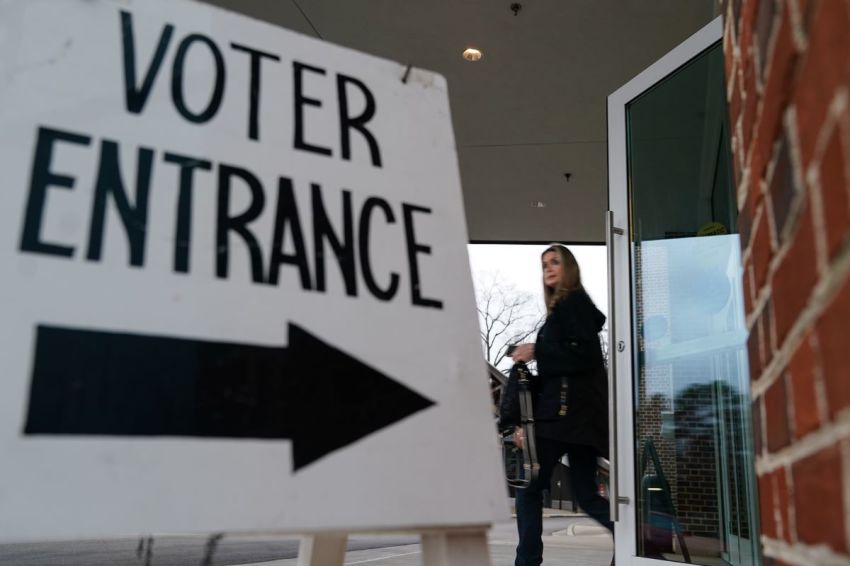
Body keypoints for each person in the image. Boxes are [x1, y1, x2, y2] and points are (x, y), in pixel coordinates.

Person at [510, 244, 612, 566]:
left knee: (529, 491)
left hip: (562, 419)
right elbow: (578, 361)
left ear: (569, 267)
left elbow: (586, 358)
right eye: (544, 265)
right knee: (586, 495)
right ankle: (637, 538)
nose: (549, 269)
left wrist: (536, 351)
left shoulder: (573, 303)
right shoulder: (568, 309)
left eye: (555, 262)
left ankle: (527, 562)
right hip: (578, 420)